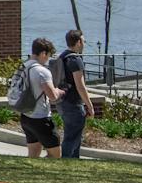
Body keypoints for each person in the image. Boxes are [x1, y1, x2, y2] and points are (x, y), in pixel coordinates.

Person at [20, 37, 65, 159]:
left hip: (26, 117)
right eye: (48, 55)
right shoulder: (42, 72)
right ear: (43, 53)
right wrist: (59, 91)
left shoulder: (23, 67)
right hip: (41, 118)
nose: (48, 59)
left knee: (33, 154)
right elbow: (52, 96)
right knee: (55, 155)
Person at [56, 29, 94, 158]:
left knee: (72, 135)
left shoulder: (62, 57)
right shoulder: (75, 60)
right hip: (73, 103)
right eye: (83, 41)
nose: (84, 44)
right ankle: (67, 162)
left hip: (62, 102)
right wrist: (90, 105)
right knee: (72, 138)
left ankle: (74, 161)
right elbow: (80, 86)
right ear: (78, 42)